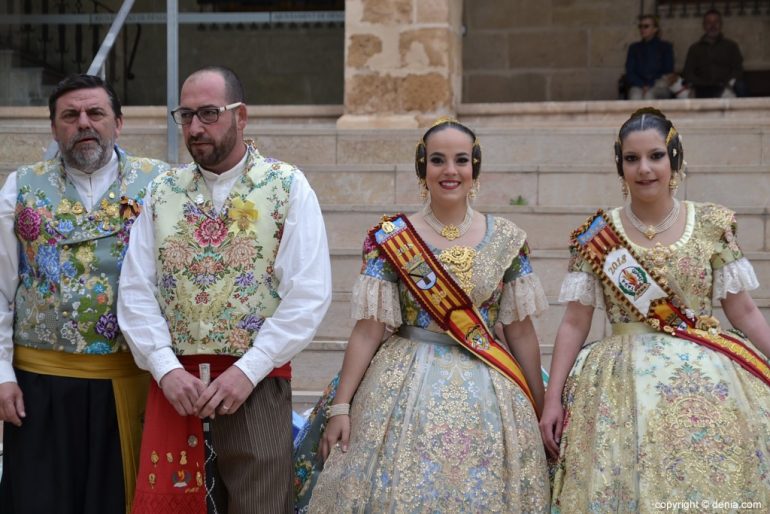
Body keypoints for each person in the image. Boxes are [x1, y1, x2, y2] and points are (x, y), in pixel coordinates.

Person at [295, 118, 550, 512]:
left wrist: (539, 403)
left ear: (475, 168)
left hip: (491, 386)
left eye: (461, 160)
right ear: (422, 168)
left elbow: (519, 331)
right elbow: (367, 332)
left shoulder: (506, 238)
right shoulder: (393, 237)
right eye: (438, 160)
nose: (450, 171)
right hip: (402, 377)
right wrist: (342, 405)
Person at [117, 65, 331, 514]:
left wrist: (248, 369)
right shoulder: (161, 191)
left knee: (260, 505)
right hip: (174, 386)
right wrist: (164, 367)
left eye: (209, 114)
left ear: (241, 116)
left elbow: (308, 292)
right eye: (186, 115)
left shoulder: (287, 186)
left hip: (255, 382)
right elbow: (136, 289)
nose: (195, 128)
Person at [541, 108, 770, 512]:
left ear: (674, 158)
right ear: (620, 164)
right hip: (619, 384)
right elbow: (575, 323)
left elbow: (745, 312)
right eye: (632, 159)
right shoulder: (596, 236)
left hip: (707, 380)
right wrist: (553, 399)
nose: (644, 169)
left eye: (655, 156)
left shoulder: (711, 223)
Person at [0, 73, 169, 514]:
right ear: (54, 128)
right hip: (40, 382)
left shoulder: (162, 185)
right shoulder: (21, 187)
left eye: (96, 113)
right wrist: (1, 374)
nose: (83, 123)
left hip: (129, 379)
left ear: (119, 122)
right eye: (69, 115)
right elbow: (0, 287)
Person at [683, 9, 745, 98]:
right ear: (704, 26)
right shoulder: (695, 48)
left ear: (721, 25)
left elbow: (738, 69)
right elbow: (688, 73)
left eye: (716, 22)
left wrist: (727, 83)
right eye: (709, 22)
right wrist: (702, 84)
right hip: (702, 88)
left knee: (740, 86)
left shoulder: (731, 46)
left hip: (726, 87)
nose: (712, 26)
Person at [625, 14, 674, 100]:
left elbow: (668, 70)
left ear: (655, 29)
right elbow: (630, 72)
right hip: (638, 85)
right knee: (635, 96)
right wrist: (642, 85)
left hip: (659, 84)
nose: (642, 29)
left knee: (649, 95)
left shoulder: (665, 47)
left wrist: (650, 84)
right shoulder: (634, 48)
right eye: (640, 26)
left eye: (646, 26)